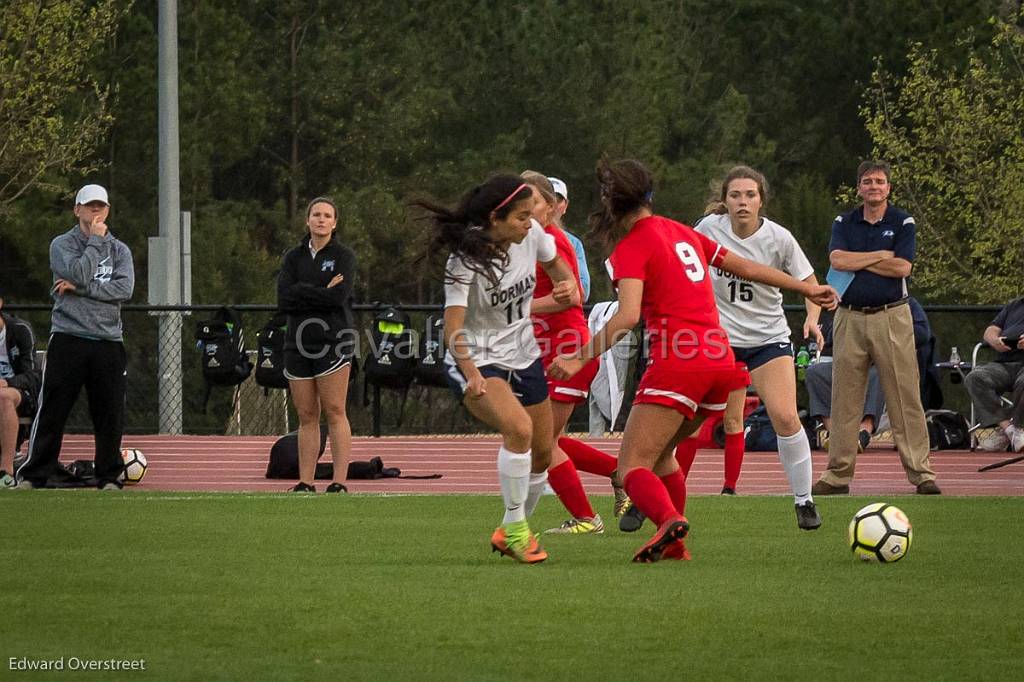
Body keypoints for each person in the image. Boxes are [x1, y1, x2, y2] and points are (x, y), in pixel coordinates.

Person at [549, 158, 836, 563]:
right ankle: (676, 547)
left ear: (612, 202)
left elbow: (628, 316)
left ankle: (668, 520)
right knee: (664, 455)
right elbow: (748, 267)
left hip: (679, 360)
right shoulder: (682, 231)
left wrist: (579, 358)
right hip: (721, 361)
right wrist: (809, 288)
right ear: (648, 196)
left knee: (631, 466)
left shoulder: (631, 246)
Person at [416, 173, 579, 564]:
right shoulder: (464, 261)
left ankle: (512, 529)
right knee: (519, 429)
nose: (531, 222)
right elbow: (453, 328)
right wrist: (471, 372)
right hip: (477, 357)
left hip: (523, 355)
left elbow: (561, 273)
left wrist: (566, 284)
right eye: (522, 216)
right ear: (495, 218)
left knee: (542, 454)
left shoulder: (535, 235)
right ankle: (518, 530)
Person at [671, 166, 824, 530]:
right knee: (684, 422)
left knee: (786, 417)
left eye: (750, 195)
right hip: (716, 340)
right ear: (724, 200)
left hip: (766, 339)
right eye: (735, 195)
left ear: (761, 201)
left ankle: (804, 500)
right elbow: (681, 269)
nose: (742, 202)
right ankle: (657, 497)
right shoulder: (706, 229)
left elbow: (810, 284)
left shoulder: (779, 238)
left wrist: (812, 318)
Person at [812, 160, 941, 496]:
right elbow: (837, 261)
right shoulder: (844, 220)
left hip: (892, 315)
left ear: (888, 188)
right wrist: (877, 255)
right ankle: (837, 474)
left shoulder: (902, 220)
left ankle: (921, 473)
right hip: (849, 315)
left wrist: (862, 257)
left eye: (880, 182)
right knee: (844, 398)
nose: (873, 186)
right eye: (867, 181)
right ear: (859, 188)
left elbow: (902, 266)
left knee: (905, 395)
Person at [519, 171, 628, 535]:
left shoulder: (553, 240)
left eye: (530, 201)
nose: (523, 208)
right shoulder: (526, 241)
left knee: (542, 441)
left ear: (550, 207)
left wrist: (521, 307)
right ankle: (619, 473)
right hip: (546, 350)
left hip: (569, 350)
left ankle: (586, 518)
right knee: (546, 438)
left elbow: (575, 295)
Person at [16, 184, 135, 490]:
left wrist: (80, 291)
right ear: (77, 209)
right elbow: (79, 271)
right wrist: (95, 243)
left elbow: (123, 290)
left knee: (108, 411)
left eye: (100, 207)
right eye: (89, 206)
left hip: (107, 340)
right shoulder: (62, 245)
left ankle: (109, 475)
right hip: (69, 336)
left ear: (107, 210)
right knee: (54, 408)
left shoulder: (120, 250)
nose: (95, 212)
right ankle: (35, 473)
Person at [277, 197, 357, 493]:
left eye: (327, 215)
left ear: (335, 222)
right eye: (316, 214)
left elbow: (338, 298)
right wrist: (321, 289)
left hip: (332, 342)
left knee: (335, 410)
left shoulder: (344, 256)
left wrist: (304, 291)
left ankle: (338, 482)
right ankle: (306, 481)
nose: (321, 220)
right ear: (307, 220)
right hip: (297, 342)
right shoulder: (293, 257)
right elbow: (284, 298)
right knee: (307, 415)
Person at [808, 297, 937, 450]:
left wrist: (885, 336)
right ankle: (835, 435)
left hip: (883, 360)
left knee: (881, 372)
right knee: (815, 372)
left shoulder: (905, 303)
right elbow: (831, 335)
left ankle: (864, 432)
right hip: (850, 360)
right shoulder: (848, 303)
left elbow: (923, 334)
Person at [965, 296, 1024, 452]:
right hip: (1004, 364)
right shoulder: (1014, 305)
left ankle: (1020, 429)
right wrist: (995, 341)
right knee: (975, 377)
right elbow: (990, 331)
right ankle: (1009, 430)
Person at [0, 292, 42, 488]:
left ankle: (6, 471)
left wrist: (7, 382)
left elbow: (32, 375)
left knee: (3, 397)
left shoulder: (19, 330)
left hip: (18, 392)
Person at [548, 177, 591, 302]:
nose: (553, 205)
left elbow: (584, 291)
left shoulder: (574, 243)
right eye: (548, 199)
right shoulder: (520, 237)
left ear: (565, 206)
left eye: (558, 199)